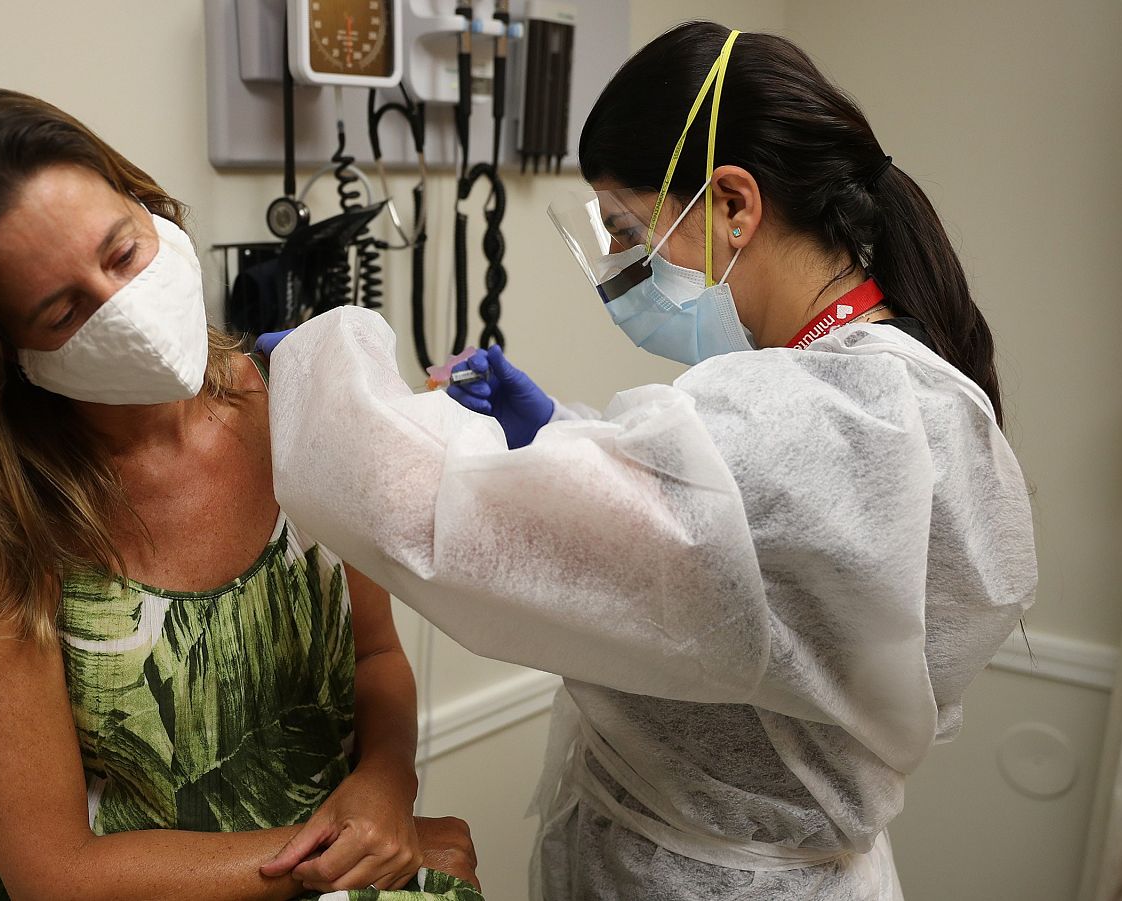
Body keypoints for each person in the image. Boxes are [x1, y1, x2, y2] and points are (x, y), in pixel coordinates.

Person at [258, 22, 1037, 900]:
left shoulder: (800, 422)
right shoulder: (906, 388)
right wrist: (559, 436)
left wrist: (317, 372)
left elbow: (418, 517)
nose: (623, 266)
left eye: (629, 231)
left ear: (736, 205)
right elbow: (734, 561)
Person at [0, 88, 481, 901]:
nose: (121, 307)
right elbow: (57, 874)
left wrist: (386, 789)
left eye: (122, 254)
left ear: (148, 205)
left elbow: (376, 656)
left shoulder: (304, 408)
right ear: (6, 350)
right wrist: (353, 858)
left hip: (329, 842)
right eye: (64, 309)